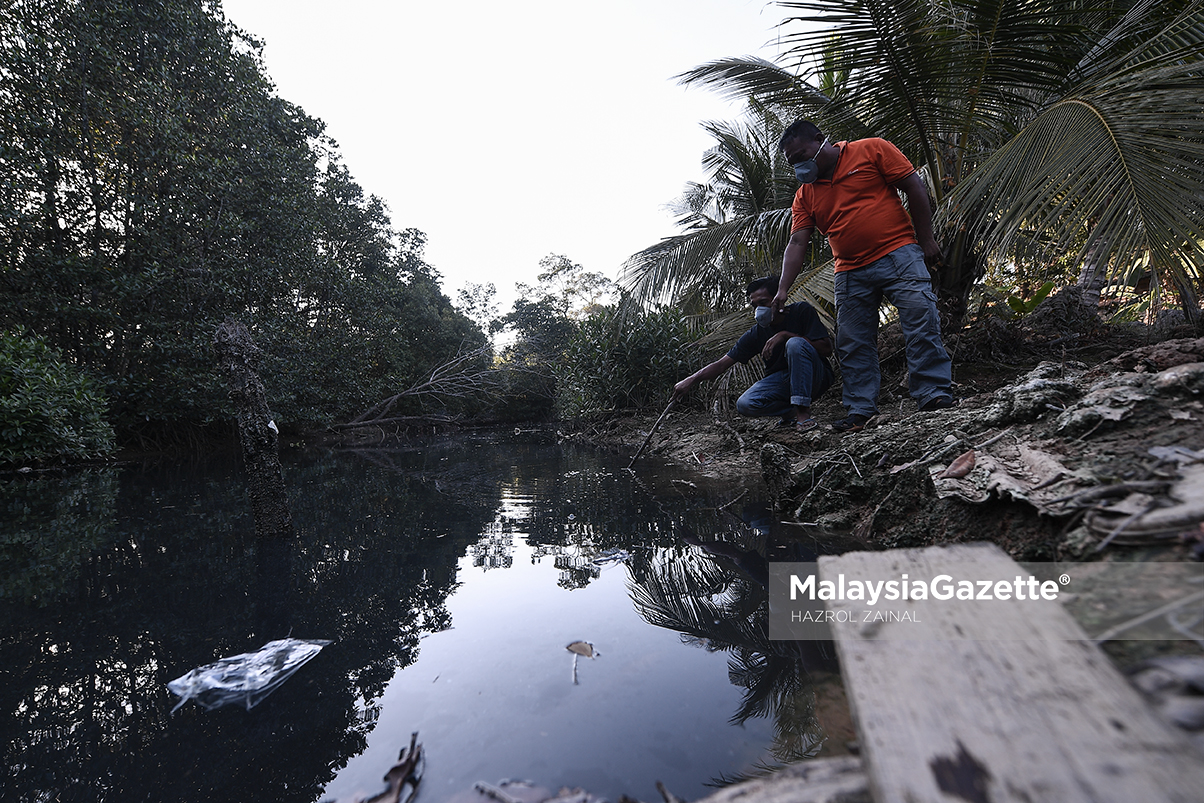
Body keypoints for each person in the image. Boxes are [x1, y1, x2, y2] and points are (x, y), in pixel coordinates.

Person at [772, 119, 953, 433]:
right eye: (793, 162)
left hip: (899, 253)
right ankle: (860, 410)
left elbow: (914, 186)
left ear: (819, 139)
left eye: (802, 155)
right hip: (849, 271)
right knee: (853, 342)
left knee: (921, 319)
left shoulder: (871, 149)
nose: (799, 164)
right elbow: (797, 241)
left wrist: (926, 239)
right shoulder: (804, 196)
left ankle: (933, 395)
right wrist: (783, 288)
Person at [673, 276, 833, 432]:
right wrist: (690, 380)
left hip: (816, 376)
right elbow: (721, 364)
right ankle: (789, 412)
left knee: (795, 344)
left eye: (763, 303)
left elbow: (826, 349)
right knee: (745, 404)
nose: (758, 310)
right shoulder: (756, 333)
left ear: (777, 299)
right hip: (784, 382)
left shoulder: (801, 311)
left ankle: (803, 414)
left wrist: (785, 335)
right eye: (754, 306)